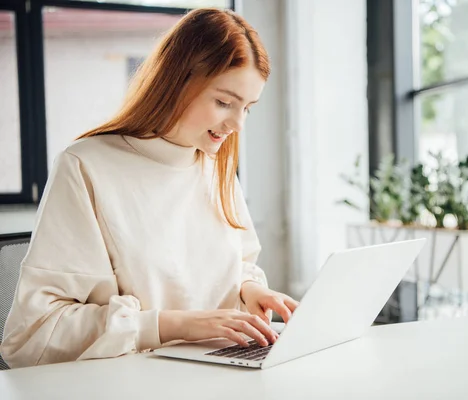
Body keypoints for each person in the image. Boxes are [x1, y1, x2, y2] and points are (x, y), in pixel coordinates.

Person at [0, 8, 298, 369]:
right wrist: (170, 325)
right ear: (175, 81)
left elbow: (238, 264)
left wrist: (249, 291)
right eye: (223, 102)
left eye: (247, 108)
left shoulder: (213, 162)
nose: (237, 124)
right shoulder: (86, 167)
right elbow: (32, 336)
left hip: (218, 375)